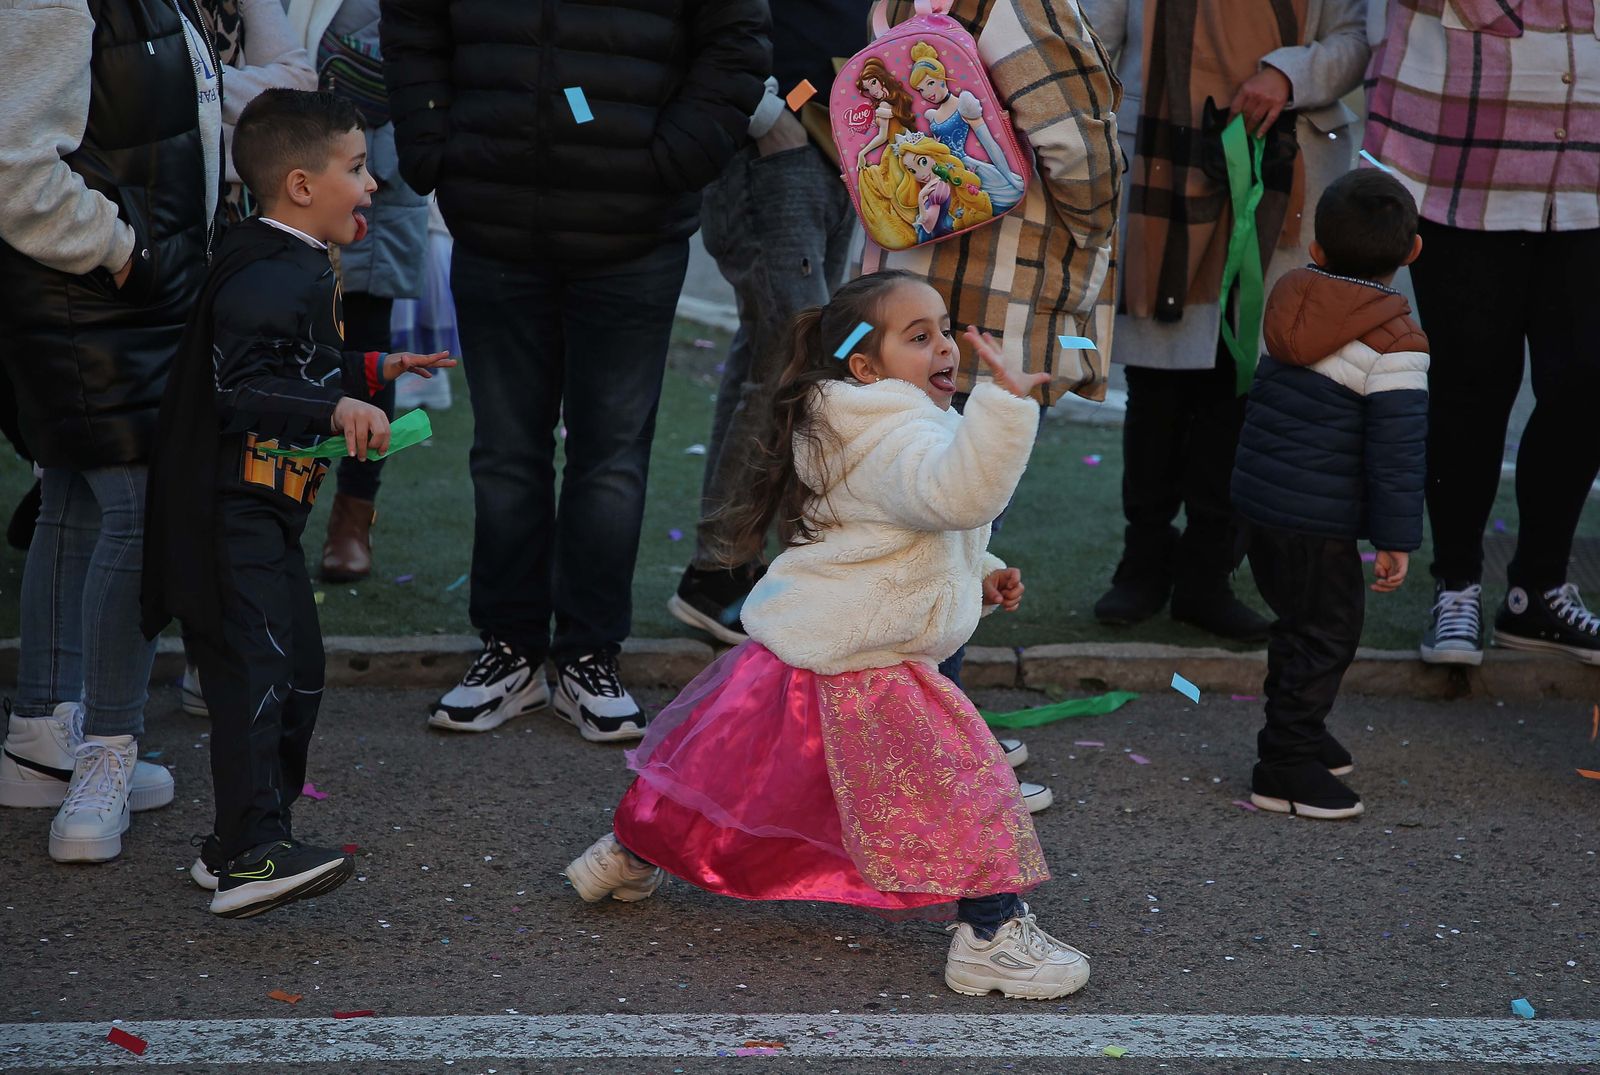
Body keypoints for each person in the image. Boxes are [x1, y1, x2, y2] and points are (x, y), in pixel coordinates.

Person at [565, 271, 1091, 1002]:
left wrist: (983, 572)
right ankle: (989, 936)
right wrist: (1006, 405)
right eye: (919, 337)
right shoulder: (889, 431)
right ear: (865, 366)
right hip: (867, 659)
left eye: (943, 327)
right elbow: (955, 493)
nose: (944, 346)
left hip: (822, 641)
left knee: (724, 776)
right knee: (971, 789)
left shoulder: (873, 416)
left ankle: (625, 855)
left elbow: (907, 531)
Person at [382, 0, 771, 739]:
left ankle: (589, 653)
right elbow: (410, 24)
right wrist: (434, 141)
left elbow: (736, 43)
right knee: (504, 453)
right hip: (495, 210)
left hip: (634, 227)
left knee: (611, 458)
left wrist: (672, 160)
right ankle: (509, 651)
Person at [141, 89, 454, 917]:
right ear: (301, 185)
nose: (373, 185)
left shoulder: (283, 258)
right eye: (356, 168)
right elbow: (243, 384)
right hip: (230, 513)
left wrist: (375, 372)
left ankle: (238, 841)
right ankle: (252, 852)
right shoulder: (271, 269)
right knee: (260, 673)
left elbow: (293, 365)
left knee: (294, 670)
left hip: (263, 515)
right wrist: (336, 409)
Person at [0, 0, 221, 862]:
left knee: (76, 500)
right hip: (90, 295)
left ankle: (44, 737)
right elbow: (17, 169)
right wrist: (125, 250)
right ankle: (105, 753)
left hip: (115, 294)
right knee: (136, 511)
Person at [1083, 0, 1368, 642]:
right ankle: (1142, 565)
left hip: (1282, 173)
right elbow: (1090, 38)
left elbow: (1356, 38)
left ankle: (1208, 576)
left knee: (1238, 389)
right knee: (1157, 391)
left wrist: (1288, 75)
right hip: (1161, 163)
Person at [1364, 2, 1600, 667]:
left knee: (1587, 379)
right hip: (1462, 159)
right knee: (1470, 383)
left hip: (1586, 169)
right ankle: (1458, 584)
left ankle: (1537, 591)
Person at [669, 1, 866, 645]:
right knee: (794, 355)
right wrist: (765, 115)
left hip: (837, 139)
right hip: (777, 140)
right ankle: (719, 569)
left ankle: (731, 563)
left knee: (772, 352)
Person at [1232, 169, 1427, 820]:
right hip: (1320, 520)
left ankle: (1300, 733)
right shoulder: (1397, 340)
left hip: (1263, 502)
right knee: (1329, 635)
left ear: (1317, 250)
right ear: (1412, 252)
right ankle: (1283, 763)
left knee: (1299, 622)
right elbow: (1396, 451)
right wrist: (1395, 539)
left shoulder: (1291, 297)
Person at [308, 0, 432, 584]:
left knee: (365, 345)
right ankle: (265, 514)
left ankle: (353, 517)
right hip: (266, 164)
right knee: (265, 342)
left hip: (372, 178)